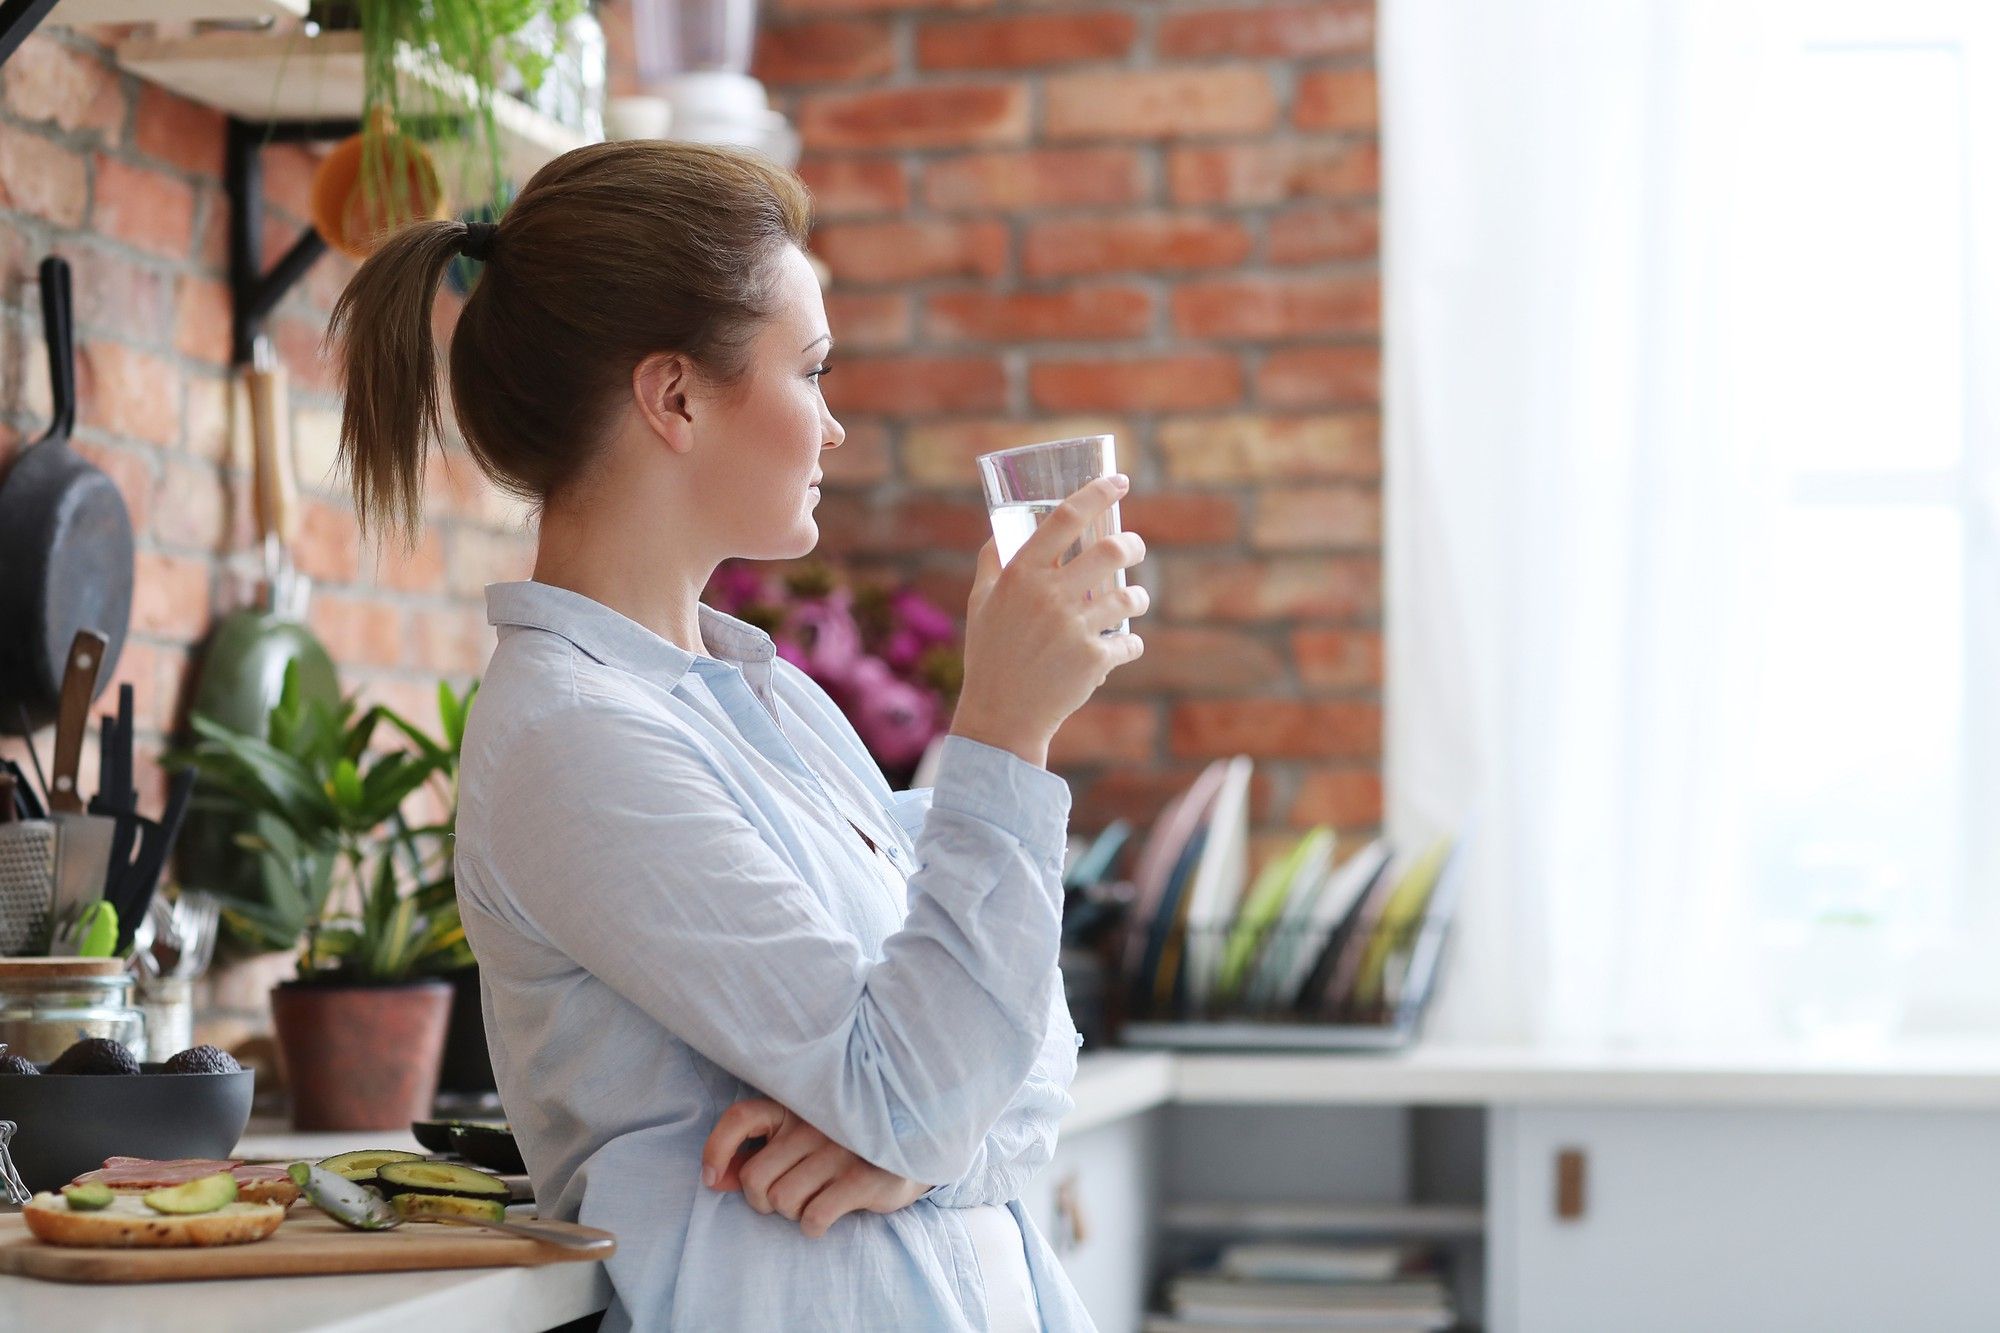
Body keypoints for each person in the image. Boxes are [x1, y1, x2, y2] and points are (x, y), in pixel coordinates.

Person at [328, 139, 1150, 1331]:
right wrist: (1004, 731)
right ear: (674, 396)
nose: (834, 429)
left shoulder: (779, 702)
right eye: (810, 370)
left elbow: (1018, 1052)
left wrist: (925, 1153)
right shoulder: (573, 738)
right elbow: (932, 1081)